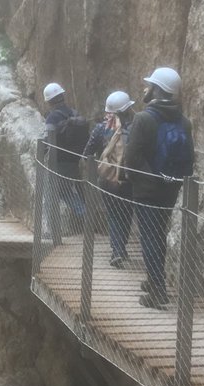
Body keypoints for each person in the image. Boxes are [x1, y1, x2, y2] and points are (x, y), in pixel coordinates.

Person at [124, 67, 194, 309]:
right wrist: (169, 181)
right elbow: (189, 161)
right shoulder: (184, 122)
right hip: (169, 189)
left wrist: (140, 180)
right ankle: (155, 280)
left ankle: (158, 291)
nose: (146, 88)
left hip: (146, 190)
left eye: (150, 85)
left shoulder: (143, 119)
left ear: (157, 89)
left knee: (149, 238)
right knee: (158, 235)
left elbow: (131, 158)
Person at [84, 90, 135, 267]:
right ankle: (121, 248)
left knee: (114, 215)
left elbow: (87, 153)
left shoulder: (101, 129)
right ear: (127, 109)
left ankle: (117, 251)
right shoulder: (135, 128)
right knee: (127, 214)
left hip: (107, 181)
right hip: (129, 179)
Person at [42, 82, 88, 222]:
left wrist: (43, 150)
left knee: (56, 193)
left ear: (49, 101)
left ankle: (83, 214)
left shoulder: (52, 117)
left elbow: (48, 139)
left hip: (59, 161)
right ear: (62, 95)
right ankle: (87, 213)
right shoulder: (74, 113)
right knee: (76, 189)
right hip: (75, 159)